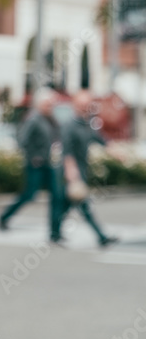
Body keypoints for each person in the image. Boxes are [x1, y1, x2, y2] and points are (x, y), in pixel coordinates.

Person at [0, 88, 64, 240]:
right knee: (29, 194)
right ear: (40, 104)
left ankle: (55, 232)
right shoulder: (33, 119)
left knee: (57, 195)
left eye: (52, 104)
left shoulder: (52, 120)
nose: (51, 107)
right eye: (48, 104)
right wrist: (33, 156)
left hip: (50, 163)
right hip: (36, 164)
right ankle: (5, 216)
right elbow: (22, 140)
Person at [58, 90, 118, 247]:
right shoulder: (69, 125)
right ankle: (101, 236)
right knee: (83, 205)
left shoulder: (87, 124)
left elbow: (99, 140)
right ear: (75, 105)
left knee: (65, 205)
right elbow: (66, 151)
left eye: (88, 104)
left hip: (81, 170)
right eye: (83, 105)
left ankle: (54, 233)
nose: (86, 108)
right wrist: (71, 171)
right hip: (71, 172)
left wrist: (115, 151)